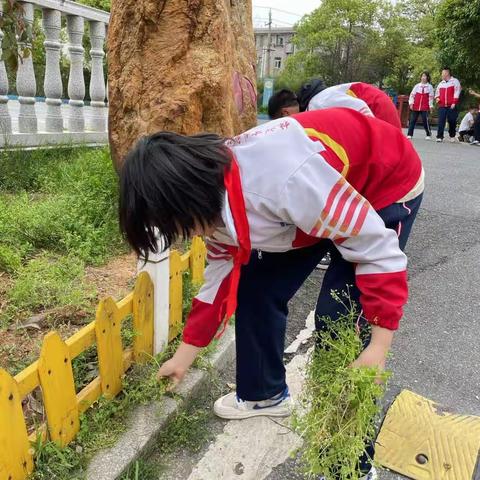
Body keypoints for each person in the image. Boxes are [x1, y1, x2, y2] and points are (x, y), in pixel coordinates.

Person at [119, 108, 424, 480]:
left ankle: (348, 464)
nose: (188, 236)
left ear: (188, 197)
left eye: (179, 225)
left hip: (381, 185)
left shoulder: (283, 179)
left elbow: (378, 252)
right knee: (256, 286)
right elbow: (220, 278)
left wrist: (378, 347)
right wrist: (185, 356)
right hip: (314, 207)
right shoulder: (213, 205)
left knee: (341, 320)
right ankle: (265, 394)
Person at [268, 81, 402, 129]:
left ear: (285, 113)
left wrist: (373, 133)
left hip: (375, 104)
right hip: (374, 104)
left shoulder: (318, 102)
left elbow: (360, 105)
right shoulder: (312, 106)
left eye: (281, 123)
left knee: (393, 152)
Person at [435, 68, 462, 143]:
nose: (442, 75)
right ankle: (439, 136)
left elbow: (457, 91)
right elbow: (437, 93)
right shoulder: (441, 84)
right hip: (442, 105)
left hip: (451, 105)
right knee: (441, 121)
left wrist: (454, 102)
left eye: (443, 73)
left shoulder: (455, 81)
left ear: (447, 73)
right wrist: (437, 98)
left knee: (452, 120)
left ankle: (452, 135)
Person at [407, 71, 434, 139]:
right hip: (416, 106)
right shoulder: (417, 86)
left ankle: (428, 134)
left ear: (427, 77)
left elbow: (431, 97)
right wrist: (411, 103)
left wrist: (431, 106)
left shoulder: (430, 87)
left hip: (425, 106)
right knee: (412, 120)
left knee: (425, 120)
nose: (423, 78)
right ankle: (410, 134)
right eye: (422, 76)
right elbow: (412, 95)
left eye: (425, 76)